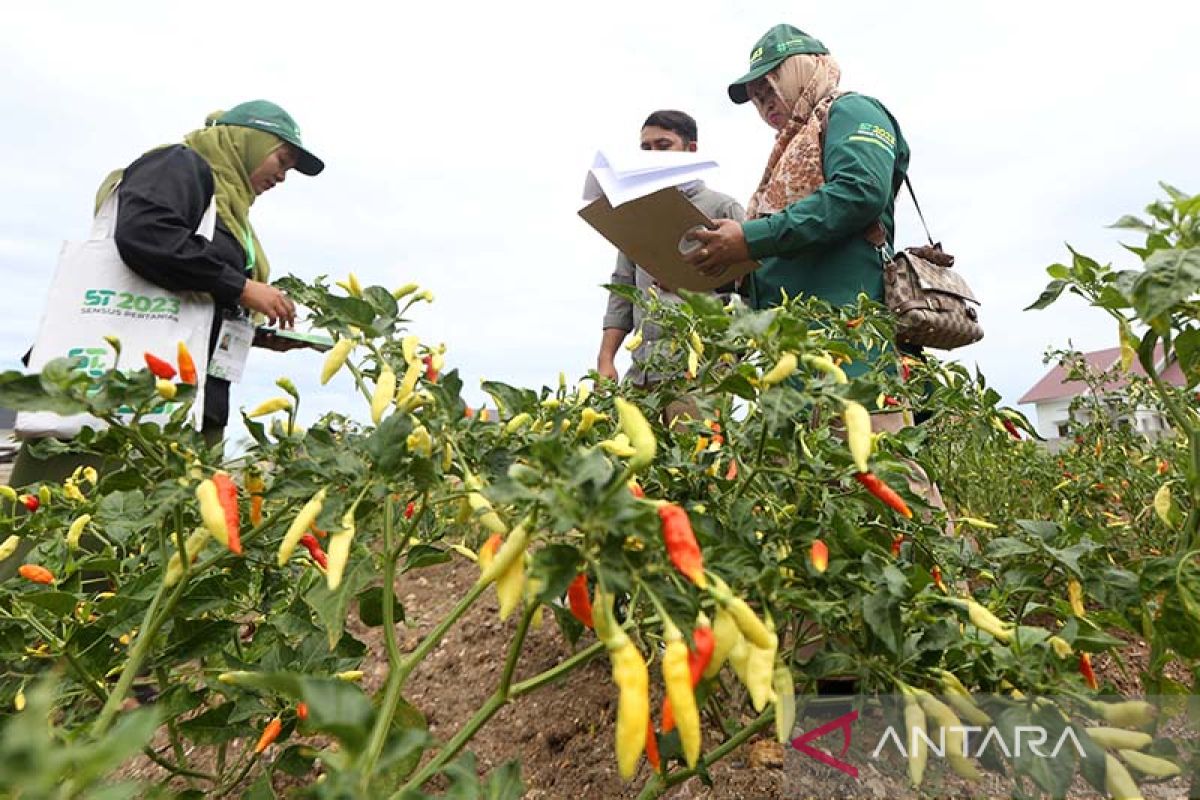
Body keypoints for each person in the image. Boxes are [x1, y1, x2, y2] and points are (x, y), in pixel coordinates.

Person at [10, 99, 323, 490]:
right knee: (70, 526)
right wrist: (241, 287)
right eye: (282, 159)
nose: (283, 175)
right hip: (119, 387)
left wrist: (256, 334)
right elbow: (144, 234)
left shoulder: (230, 212)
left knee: (161, 536)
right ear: (249, 142)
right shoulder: (180, 165)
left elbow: (190, 296)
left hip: (187, 404)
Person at [684, 24, 909, 371]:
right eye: (757, 98)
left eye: (771, 86)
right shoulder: (790, 149)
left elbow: (860, 191)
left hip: (849, 345)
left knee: (861, 425)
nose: (765, 104)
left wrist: (750, 237)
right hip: (792, 355)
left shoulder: (852, 111)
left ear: (802, 71)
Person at [597, 110, 745, 400]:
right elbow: (623, 290)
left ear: (690, 150)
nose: (653, 154)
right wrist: (606, 359)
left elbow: (749, 291)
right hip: (642, 372)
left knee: (695, 444)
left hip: (699, 375)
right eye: (646, 148)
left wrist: (729, 359)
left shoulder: (722, 209)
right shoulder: (636, 214)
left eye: (663, 146)